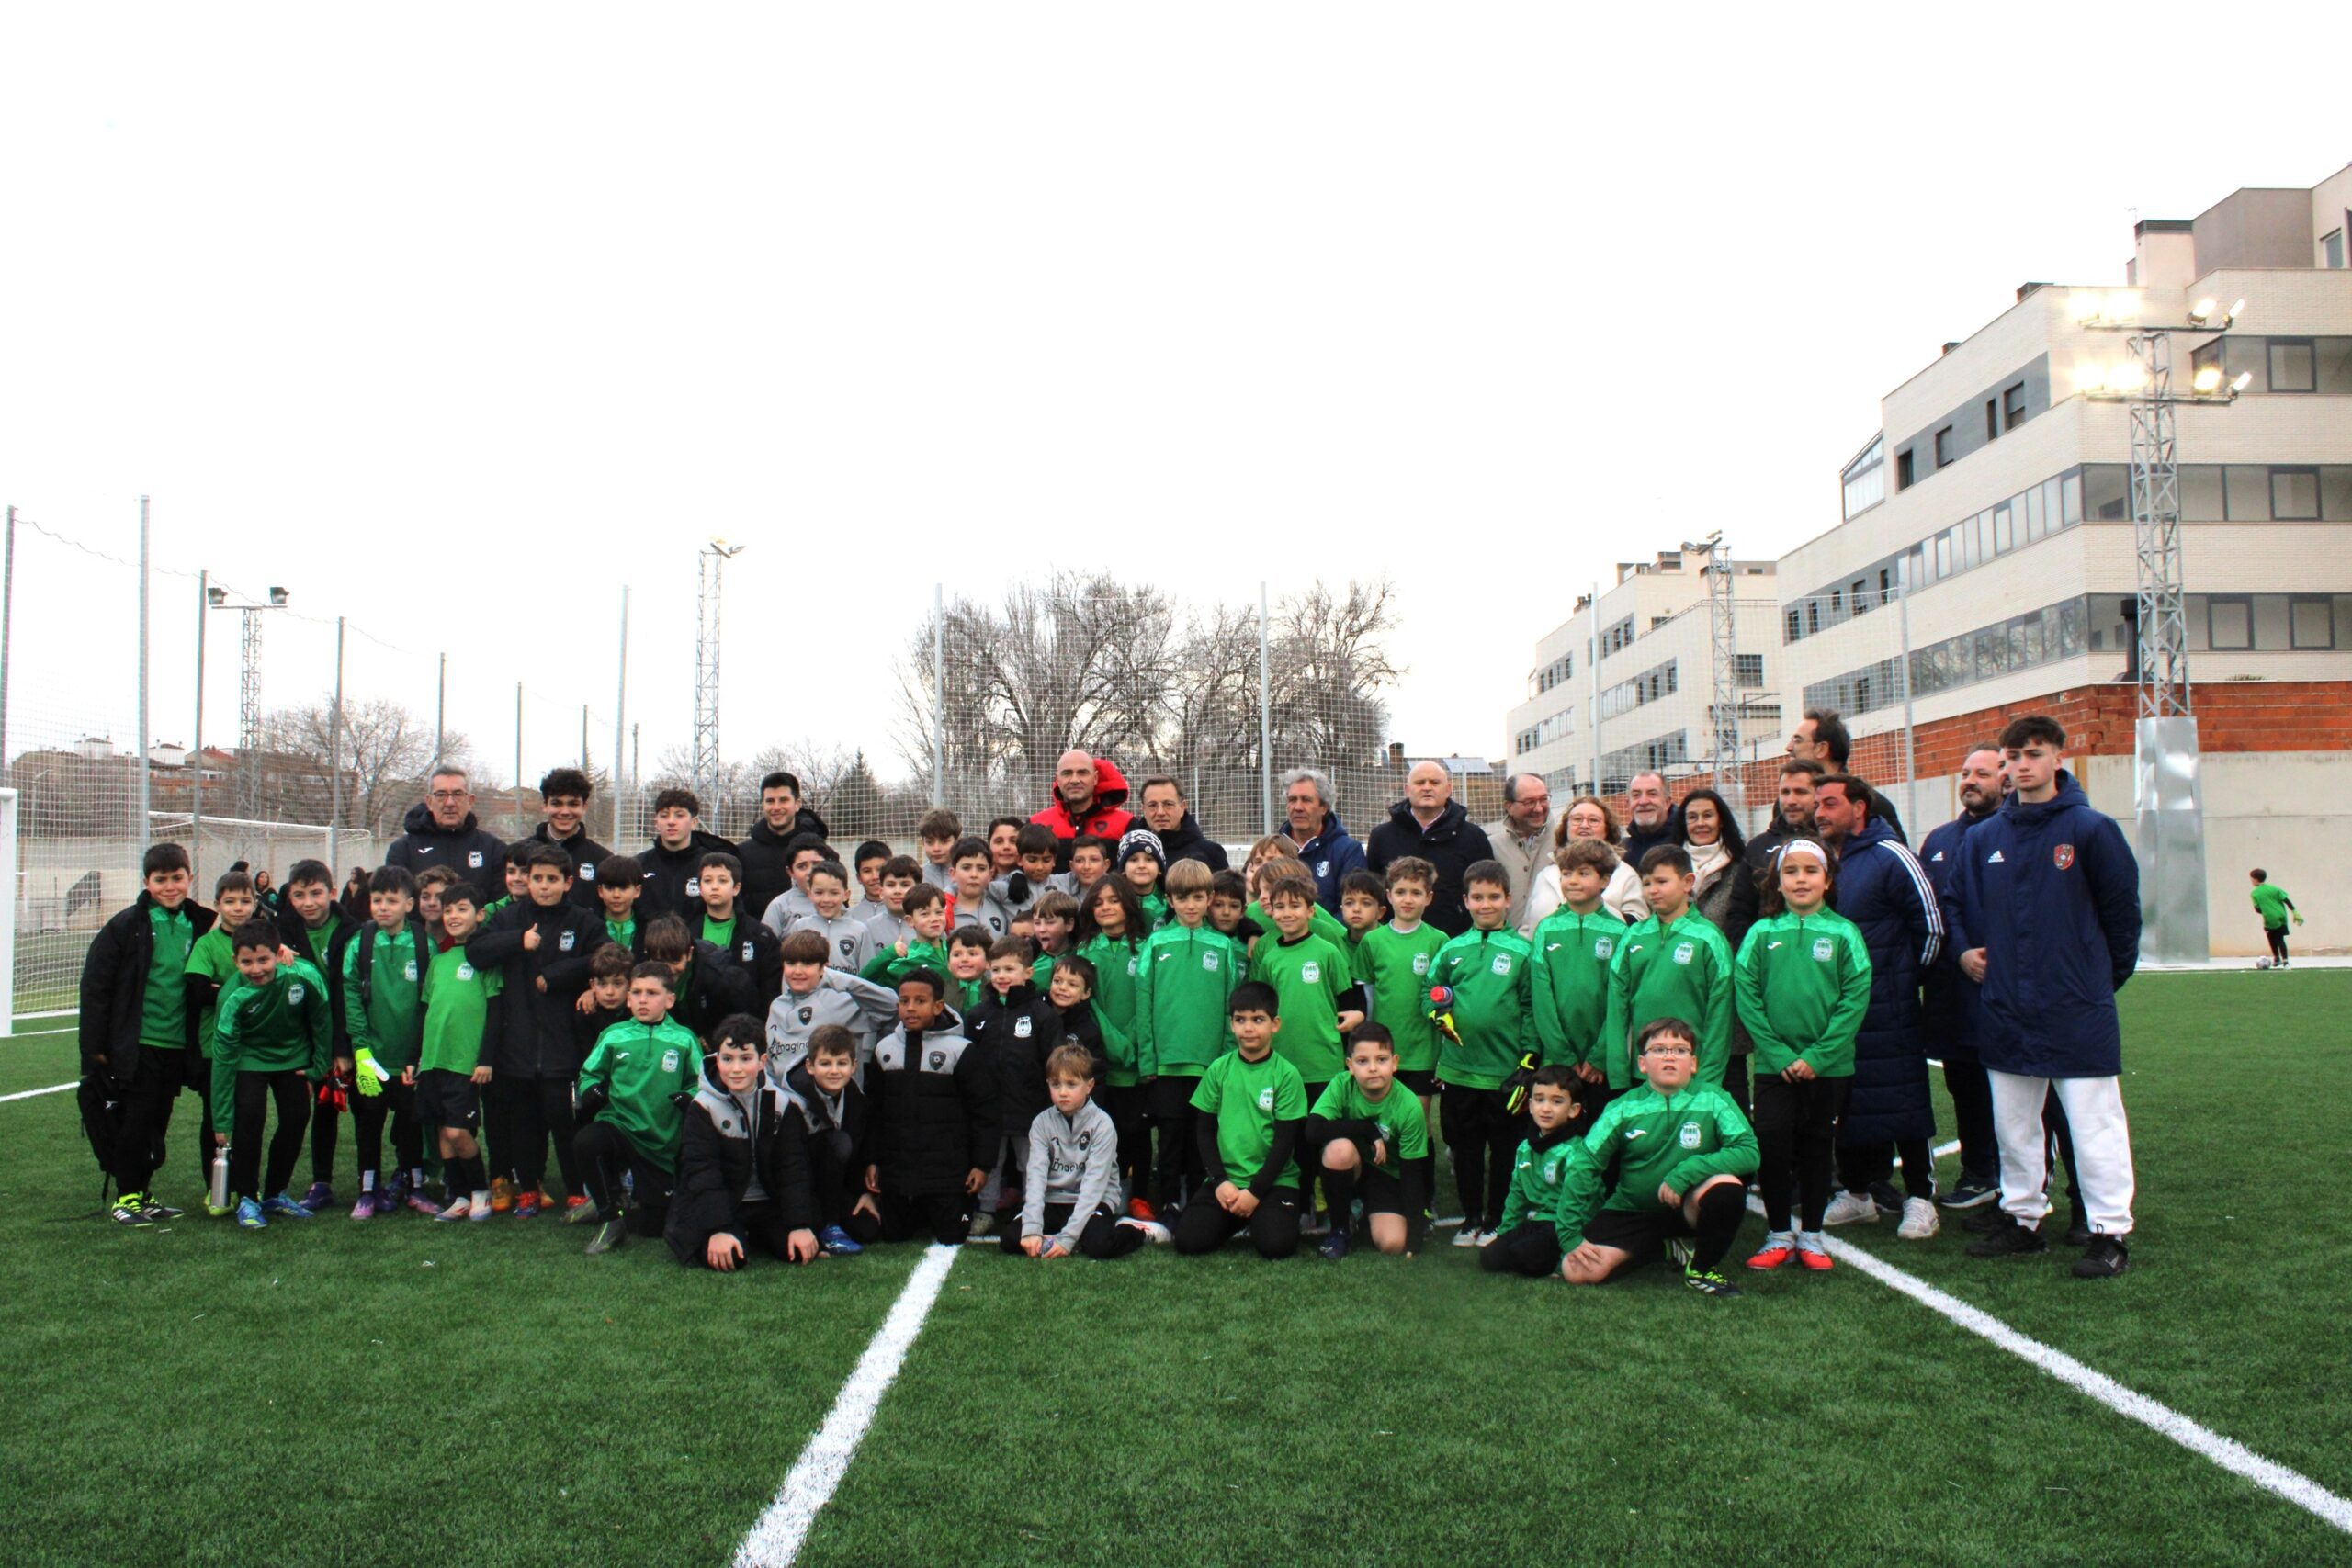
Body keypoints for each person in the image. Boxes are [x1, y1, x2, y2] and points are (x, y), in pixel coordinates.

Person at [1955, 715, 2141, 1280]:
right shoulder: (1984, 838)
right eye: (2013, 757)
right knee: (2013, 1124)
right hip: (2007, 1007)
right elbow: (1962, 905)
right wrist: (1969, 955)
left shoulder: (2092, 829)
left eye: (2033, 754)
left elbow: (2123, 918)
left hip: (2075, 1007)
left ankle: (2109, 1231)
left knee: (2094, 1123)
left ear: (2059, 756)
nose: (2022, 765)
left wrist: (2093, 983)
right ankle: (2023, 1219)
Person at [1810, 774, 1943, 1241]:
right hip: (1837, 1011)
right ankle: (1857, 1193)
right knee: (1848, 1101)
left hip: (1890, 1006)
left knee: (1904, 1095)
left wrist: (1901, 981)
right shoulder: (1822, 861)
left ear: (1859, 807)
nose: (1820, 813)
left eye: (1830, 803)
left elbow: (1931, 926)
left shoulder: (1892, 855)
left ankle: (1921, 1196)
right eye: (1818, 804)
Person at [1735, 840, 1870, 1272]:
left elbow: (1854, 998)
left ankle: (1811, 1234)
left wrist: (1818, 1056)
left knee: (1817, 1147)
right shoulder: (1761, 933)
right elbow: (1747, 994)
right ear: (1777, 882)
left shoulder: (1844, 933)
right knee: (1772, 1143)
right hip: (1774, 1066)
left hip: (1827, 1067)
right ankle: (1778, 1232)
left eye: (1811, 871)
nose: (1800, 879)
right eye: (1790, 871)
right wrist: (1777, 1052)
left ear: (1827, 881)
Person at [1552, 1017, 1758, 1296]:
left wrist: (1687, 1171)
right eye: (1659, 1049)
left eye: (1680, 1050)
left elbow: (1748, 1151)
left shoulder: (1714, 1099)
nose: (1669, 1056)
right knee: (1576, 1270)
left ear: (1693, 1063)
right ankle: (1660, 1248)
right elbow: (1584, 1164)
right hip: (1633, 1209)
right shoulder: (1622, 1107)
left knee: (1727, 1187)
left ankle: (1700, 1269)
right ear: (1642, 1063)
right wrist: (1569, 1234)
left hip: (1686, 1207)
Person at [80, 842, 217, 1224]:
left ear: (190, 878)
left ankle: (142, 1192)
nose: (170, 887)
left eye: (177, 878)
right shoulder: (126, 926)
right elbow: (96, 985)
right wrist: (94, 1046)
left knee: (158, 1121)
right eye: (161, 880)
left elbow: (244, 936)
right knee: (135, 1120)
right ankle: (126, 1197)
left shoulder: (203, 922)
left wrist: (281, 948)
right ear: (146, 882)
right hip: (138, 1043)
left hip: (178, 1044)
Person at [468, 843, 605, 1217]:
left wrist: (559, 975)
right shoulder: (509, 918)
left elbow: (604, 958)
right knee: (525, 1124)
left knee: (565, 1122)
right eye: (538, 878)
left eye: (552, 879)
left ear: (568, 882)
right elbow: (475, 952)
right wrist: (518, 941)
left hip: (563, 1044)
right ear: (527, 880)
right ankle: (529, 1188)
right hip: (518, 1043)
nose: (544, 886)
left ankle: (576, 1190)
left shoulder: (584, 921)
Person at [1427, 859, 1536, 1247]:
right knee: (1465, 1147)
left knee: (1505, 1149)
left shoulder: (1523, 952)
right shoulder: (1452, 949)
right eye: (1477, 897)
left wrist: (1529, 1059)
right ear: (1465, 901)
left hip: (1504, 1073)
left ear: (1508, 900)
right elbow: (1431, 991)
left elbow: (1531, 1008)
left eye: (1493, 897)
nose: (1485, 904)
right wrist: (1437, 1013)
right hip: (1458, 1070)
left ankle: (1497, 1219)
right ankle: (1471, 1217)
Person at [1917, 745, 2006, 1209]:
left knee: (2014, 1090)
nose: (1970, 780)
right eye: (1966, 772)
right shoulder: (1939, 840)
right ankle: (1978, 1173)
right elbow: (1932, 912)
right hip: (1951, 990)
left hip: (2002, 990)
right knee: (1964, 1084)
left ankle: (2021, 1178)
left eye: (1982, 773)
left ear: (2005, 780)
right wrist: (1957, 955)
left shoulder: (2016, 834)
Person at [665, 1014, 820, 1270]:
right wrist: (718, 1228)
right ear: (717, 1060)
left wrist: (799, 1224)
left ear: (762, 1062)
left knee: (796, 1250)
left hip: (766, 1202)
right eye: (728, 1059)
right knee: (731, 1259)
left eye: (745, 1058)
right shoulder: (702, 1107)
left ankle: (757, 1233)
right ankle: (732, 1232)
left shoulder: (781, 1103)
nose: (736, 1068)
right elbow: (701, 1171)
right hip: (723, 1202)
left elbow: (792, 1165)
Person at [1133, 858, 1244, 1211]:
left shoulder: (1223, 946)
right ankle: (1169, 1203)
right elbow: (1144, 1003)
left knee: (1203, 1137)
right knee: (1169, 1138)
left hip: (1209, 1064)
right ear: (1170, 900)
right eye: (1183, 898)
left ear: (1209, 898)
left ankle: (1198, 1203)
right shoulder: (1155, 943)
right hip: (1166, 1063)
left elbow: (1230, 1006)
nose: (1191, 905)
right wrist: (1148, 1058)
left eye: (1198, 897)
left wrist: (1226, 1059)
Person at [209, 920, 334, 1229]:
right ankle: (247, 1197)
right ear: (235, 961)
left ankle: (275, 1193)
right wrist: (221, 1120)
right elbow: (223, 1059)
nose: (256, 969)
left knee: (296, 1117)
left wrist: (317, 1068)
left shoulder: (303, 975)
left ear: (279, 954)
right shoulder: (232, 996)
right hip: (249, 1058)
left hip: (293, 1057)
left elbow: (322, 1021)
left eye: (263, 960)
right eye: (247, 962)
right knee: (249, 1119)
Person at [574, 961, 704, 1254]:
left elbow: (700, 1082)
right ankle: (609, 1216)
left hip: (661, 1140)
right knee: (586, 1142)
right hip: (619, 1124)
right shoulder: (614, 1035)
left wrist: (689, 1096)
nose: (643, 1000)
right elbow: (588, 1073)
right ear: (629, 998)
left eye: (652, 993)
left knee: (653, 1228)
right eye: (636, 992)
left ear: (669, 1000)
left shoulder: (684, 1039)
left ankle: (621, 1203)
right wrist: (591, 1089)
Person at [1173, 982, 1308, 1259]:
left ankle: (1259, 1215)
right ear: (1232, 1025)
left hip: (1273, 1183)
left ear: (1275, 1024)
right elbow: (1204, 1132)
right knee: (1188, 1241)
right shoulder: (1218, 1069)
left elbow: (1285, 1143)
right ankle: (1237, 1217)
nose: (1248, 1028)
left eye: (1258, 1019)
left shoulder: (1287, 1074)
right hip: (1228, 1182)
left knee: (1276, 1246)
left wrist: (1255, 1192)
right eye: (1240, 1020)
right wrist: (1220, 1181)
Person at [865, 967, 996, 1245]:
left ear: (938, 1006)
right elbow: (874, 1112)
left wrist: (982, 1165)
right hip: (898, 1172)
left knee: (952, 1237)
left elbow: (984, 1112)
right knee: (893, 1236)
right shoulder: (884, 1049)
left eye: (920, 1001)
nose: (910, 1008)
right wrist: (872, 1159)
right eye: (904, 1001)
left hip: (947, 1174)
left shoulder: (960, 1050)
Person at [1351, 856, 1448, 1204]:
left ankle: (1422, 1200)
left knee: (1417, 1124)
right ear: (1389, 896)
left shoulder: (1439, 941)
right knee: (1378, 1122)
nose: (1408, 899)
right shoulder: (1373, 942)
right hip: (1382, 1052)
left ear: (1429, 898)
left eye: (1416, 893)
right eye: (1402, 892)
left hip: (1422, 1050)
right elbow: (1367, 995)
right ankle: (1376, 1196)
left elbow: (1444, 999)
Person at [1598, 847, 1735, 1090]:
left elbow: (1720, 1015)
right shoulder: (1633, 936)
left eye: (1662, 881)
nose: (1653, 890)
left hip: (1693, 1077)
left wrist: (1708, 1081)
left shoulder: (1709, 938)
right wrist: (1618, 1075)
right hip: (1642, 1075)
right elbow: (1617, 1008)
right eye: (1646, 883)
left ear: (1688, 882)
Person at [1010, 1044, 1165, 1258]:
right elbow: (1036, 1178)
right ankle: (1062, 1235)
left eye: (1071, 1084)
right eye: (1056, 1084)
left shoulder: (1102, 1124)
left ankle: (1137, 1231)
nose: (1063, 1092)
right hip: (1053, 1200)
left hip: (1094, 1201)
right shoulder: (1040, 1123)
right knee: (1011, 1239)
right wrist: (1032, 1229)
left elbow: (1094, 1186)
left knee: (1100, 1246)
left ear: (1089, 1086)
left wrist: (1067, 1239)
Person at [340, 865, 431, 1218]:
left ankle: (415, 1186)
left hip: (409, 1059)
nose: (383, 907)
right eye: (377, 900)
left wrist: (418, 1053)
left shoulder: (423, 943)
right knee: (369, 1124)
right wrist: (361, 1050)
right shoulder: (361, 943)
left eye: (392, 900)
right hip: (372, 1058)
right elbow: (351, 996)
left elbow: (429, 1003)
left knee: (410, 1125)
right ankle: (367, 1191)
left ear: (409, 904)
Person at [275, 858, 358, 1213]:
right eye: (299, 895)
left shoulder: (353, 930)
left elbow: (347, 992)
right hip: (305, 1037)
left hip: (348, 1031)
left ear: (332, 892)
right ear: (290, 897)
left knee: (366, 1107)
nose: (308, 902)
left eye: (316, 893)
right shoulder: (281, 930)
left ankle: (374, 1182)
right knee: (321, 1107)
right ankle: (321, 1183)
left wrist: (342, 1046)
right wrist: (274, 949)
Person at [967, 936, 1068, 1231]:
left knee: (1030, 1161)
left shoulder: (1043, 1015)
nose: (1001, 976)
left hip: (1030, 1107)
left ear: (1028, 972)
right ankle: (985, 1210)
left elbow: (1054, 1062)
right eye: (996, 969)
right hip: (989, 1108)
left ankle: (1032, 1209)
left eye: (1010, 969)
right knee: (991, 1159)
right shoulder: (978, 1015)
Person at [1306, 1024, 1430, 1258]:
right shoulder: (1342, 1085)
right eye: (1362, 1061)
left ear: (1394, 1063)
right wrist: (1365, 1129)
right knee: (1338, 1150)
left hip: (1387, 1177)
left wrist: (1414, 1239)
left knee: (1393, 1244)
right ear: (1350, 1065)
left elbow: (1413, 1173)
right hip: (1351, 1168)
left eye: (1381, 1059)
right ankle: (1340, 1228)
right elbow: (1313, 1130)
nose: (1373, 1068)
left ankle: (1364, 1213)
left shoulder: (1409, 1106)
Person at [417, 883, 499, 1222]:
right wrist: (415, 1058)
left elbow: (496, 1012)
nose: (453, 915)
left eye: (461, 909)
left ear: (479, 915)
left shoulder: (485, 960)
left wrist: (485, 1059)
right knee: (442, 1129)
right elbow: (425, 1010)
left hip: (464, 1062)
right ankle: (460, 1196)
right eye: (448, 910)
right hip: (433, 1059)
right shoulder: (438, 960)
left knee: (458, 1131)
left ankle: (480, 1190)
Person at [1530, 840, 1625, 1123]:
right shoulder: (1547, 929)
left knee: (1600, 1131)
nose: (1572, 880)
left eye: (1583, 873)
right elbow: (1542, 997)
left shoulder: (1619, 931)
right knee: (1558, 1129)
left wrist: (1600, 1054)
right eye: (1566, 873)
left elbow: (1620, 999)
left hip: (1601, 1063)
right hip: (1557, 1058)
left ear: (1604, 880)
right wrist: (1562, 1054)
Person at [1074, 877, 1153, 1216]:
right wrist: (1115, 1042)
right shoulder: (1085, 951)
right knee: (1108, 1131)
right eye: (1099, 902)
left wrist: (1132, 1041)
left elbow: (1149, 1000)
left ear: (1128, 905)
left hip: (1138, 1057)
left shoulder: (1148, 947)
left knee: (1139, 1131)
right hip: (1106, 1058)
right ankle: (1109, 1192)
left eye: (1113, 900)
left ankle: (1141, 1195)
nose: (1106, 907)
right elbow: (1089, 1005)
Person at [1672, 786, 1753, 1109]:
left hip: (1725, 991)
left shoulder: (1741, 867)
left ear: (1722, 820)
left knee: (1730, 1082)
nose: (1700, 823)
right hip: (1681, 987)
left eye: (1708, 815)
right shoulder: (1669, 866)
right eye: (1692, 817)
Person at [183, 868, 259, 1210]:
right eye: (230, 901)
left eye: (245, 900)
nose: (238, 908)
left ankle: (245, 1187)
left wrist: (224, 990)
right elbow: (198, 991)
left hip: (252, 1047)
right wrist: (246, 992)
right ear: (217, 905)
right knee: (215, 1117)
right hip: (213, 1045)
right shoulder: (207, 944)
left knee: (248, 1117)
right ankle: (215, 1187)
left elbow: (272, 983)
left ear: (255, 904)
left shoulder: (262, 940)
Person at [1366, 761, 1497, 937]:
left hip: (1456, 941)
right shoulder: (1382, 837)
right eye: (1420, 782)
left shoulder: (1473, 837)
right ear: (1407, 790)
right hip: (1396, 942)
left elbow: (1487, 891)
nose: (1427, 788)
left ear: (1448, 790)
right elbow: (1374, 892)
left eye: (1435, 782)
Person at [782, 1025, 881, 1253]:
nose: (834, 1071)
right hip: (799, 1185)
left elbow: (857, 1151)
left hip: (832, 1186)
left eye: (841, 1063)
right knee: (837, 1141)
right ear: (810, 1066)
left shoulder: (855, 1098)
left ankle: (830, 1221)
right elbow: (790, 1163)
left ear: (853, 1066)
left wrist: (862, 1191)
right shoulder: (791, 1102)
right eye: (825, 1063)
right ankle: (827, 1224)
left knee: (868, 1229)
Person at [1478, 1066, 1584, 1278]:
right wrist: (1505, 1235)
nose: (1546, 1108)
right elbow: (1516, 1196)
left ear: (1574, 1110)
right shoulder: (1525, 1148)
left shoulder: (1576, 1152)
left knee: (1525, 1256)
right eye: (1539, 1099)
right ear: (1530, 1105)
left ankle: (1552, 1258)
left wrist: (1568, 1253)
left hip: (1562, 1225)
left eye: (1557, 1102)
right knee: (1490, 1257)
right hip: (1536, 1222)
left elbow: (1583, 1206)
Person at [1722, 758, 1826, 961]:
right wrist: (1753, 956)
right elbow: (1740, 910)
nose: (1791, 801)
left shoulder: (1832, 843)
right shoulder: (1758, 847)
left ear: (1818, 796)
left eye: (1800, 792)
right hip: (1769, 961)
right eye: (1785, 792)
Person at [762, 930, 900, 1078]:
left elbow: (891, 1004)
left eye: (808, 964)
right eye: (791, 963)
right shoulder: (777, 1006)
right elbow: (771, 1062)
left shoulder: (839, 1001)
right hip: (782, 1093)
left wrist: (834, 977)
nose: (798, 971)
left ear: (823, 968)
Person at [1521, 795, 1646, 933]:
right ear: (1566, 827)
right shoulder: (1545, 874)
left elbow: (1640, 926)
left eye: (1593, 820)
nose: (1584, 825)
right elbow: (1527, 929)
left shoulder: (1625, 875)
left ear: (1607, 830)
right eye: (1577, 819)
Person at [1788, 709, 1905, 840]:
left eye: (1797, 741)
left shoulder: (1874, 805)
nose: (1789, 747)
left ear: (1821, 749)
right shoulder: (1788, 804)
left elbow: (1893, 850)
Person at [687, 851, 783, 1008]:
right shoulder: (686, 931)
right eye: (708, 881)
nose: (714, 887)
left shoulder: (759, 935)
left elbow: (769, 988)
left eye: (723, 880)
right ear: (700, 887)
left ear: (736, 888)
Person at [384, 767, 506, 887]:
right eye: (441, 795)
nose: (450, 803)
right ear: (429, 802)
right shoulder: (403, 850)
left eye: (457, 794)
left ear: (470, 801)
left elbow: (502, 898)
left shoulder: (493, 849)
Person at [736, 770, 831, 922]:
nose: (776, 807)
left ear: (797, 804)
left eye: (783, 800)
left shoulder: (822, 853)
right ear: (762, 805)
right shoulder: (742, 854)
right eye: (770, 801)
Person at [1275, 766, 1367, 912]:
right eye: (1292, 800)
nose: (1298, 807)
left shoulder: (1348, 851)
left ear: (1324, 807)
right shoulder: (1273, 848)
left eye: (1306, 800)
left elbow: (1352, 910)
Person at [637, 787, 737, 919]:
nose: (671, 822)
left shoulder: (713, 865)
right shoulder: (639, 865)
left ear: (694, 823)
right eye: (664, 816)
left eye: (679, 815)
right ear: (656, 823)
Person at [1030, 750, 1136, 869]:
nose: (1075, 780)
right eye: (1067, 773)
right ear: (1057, 779)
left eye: (1082, 773)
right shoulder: (1035, 824)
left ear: (1095, 778)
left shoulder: (1127, 824)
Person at [527, 767, 610, 910]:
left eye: (573, 804)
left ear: (584, 807)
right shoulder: (522, 854)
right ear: (545, 805)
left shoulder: (603, 859)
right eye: (556, 803)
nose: (565, 812)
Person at [1478, 773, 1554, 931]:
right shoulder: (1492, 846)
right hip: (1507, 942)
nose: (1539, 808)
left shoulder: (1564, 841)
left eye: (1544, 799)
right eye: (1529, 802)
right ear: (1509, 806)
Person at [786, 860, 878, 976]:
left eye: (834, 893)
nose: (826, 900)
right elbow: (790, 969)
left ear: (846, 895)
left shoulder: (860, 931)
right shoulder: (800, 927)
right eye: (819, 892)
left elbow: (867, 974)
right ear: (810, 894)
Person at [1136, 775, 1229, 872]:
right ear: (1143, 809)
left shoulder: (1210, 854)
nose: (1160, 812)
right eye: (1152, 805)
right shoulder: (1131, 852)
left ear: (1182, 807)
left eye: (1168, 804)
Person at [945, 835, 1017, 940]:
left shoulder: (1001, 905)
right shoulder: (942, 913)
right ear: (953, 874)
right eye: (966, 868)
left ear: (990, 874)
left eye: (981, 868)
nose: (974, 875)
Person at [1619, 772, 1674, 869]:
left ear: (1667, 803)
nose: (1643, 801)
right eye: (1636, 795)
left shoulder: (1686, 842)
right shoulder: (1621, 851)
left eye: (1652, 794)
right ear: (1628, 804)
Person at [2249, 868, 2302, 967]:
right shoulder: (2274, 888)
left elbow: (2258, 909)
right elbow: (2286, 900)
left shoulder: (2255, 893)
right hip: (2281, 916)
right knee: (2280, 939)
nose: (2251, 881)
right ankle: (2285, 961)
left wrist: (2266, 909)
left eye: (2252, 879)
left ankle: (2277, 958)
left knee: (2271, 938)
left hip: (2270, 919)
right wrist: (2294, 912)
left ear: (2256, 879)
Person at [592, 854, 643, 954]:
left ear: (637, 891)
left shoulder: (648, 928)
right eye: (609, 888)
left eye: (623, 888)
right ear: (600, 891)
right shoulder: (589, 927)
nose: (616, 895)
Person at [915, 808, 962, 892]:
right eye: (930, 842)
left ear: (957, 841)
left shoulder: (967, 875)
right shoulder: (917, 876)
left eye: (944, 841)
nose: (936, 848)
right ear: (923, 843)